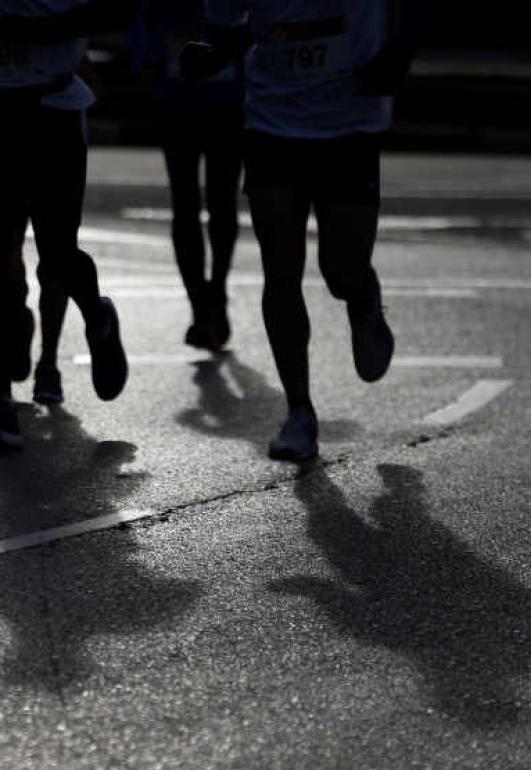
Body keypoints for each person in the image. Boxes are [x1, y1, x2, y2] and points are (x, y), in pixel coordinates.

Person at [197, 0, 421, 461]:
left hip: (351, 120)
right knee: (280, 271)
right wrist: (210, 54)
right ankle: (299, 412)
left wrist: (399, 53)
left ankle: (363, 299)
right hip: (271, 123)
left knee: (341, 268)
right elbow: (226, 27)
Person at [0, 0, 134, 450]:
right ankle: (1, 403)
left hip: (50, 111)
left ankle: (97, 314)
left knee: (57, 253)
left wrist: (38, 29)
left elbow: (115, 13)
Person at [133, 0, 244, 352]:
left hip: (224, 100)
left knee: (218, 201)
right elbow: (141, 21)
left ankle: (216, 292)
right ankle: (202, 301)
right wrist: (148, 63)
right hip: (181, 99)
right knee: (190, 203)